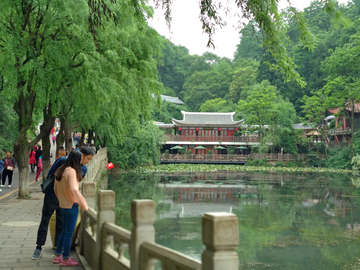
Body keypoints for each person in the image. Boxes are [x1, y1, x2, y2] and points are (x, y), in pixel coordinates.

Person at [31, 146, 94, 261]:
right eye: (88, 158)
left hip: (64, 199)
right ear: (81, 155)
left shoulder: (83, 168)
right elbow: (51, 176)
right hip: (52, 196)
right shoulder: (62, 161)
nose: (88, 162)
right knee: (45, 220)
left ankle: (57, 250)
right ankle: (39, 247)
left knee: (61, 224)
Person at [52, 150, 88, 266]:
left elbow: (55, 190)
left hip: (62, 205)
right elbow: (74, 189)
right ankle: (66, 259)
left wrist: (61, 200)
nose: (82, 162)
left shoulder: (61, 170)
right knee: (69, 233)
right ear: (76, 160)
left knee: (64, 231)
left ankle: (58, 255)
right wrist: (84, 204)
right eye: (81, 159)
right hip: (72, 205)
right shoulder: (71, 172)